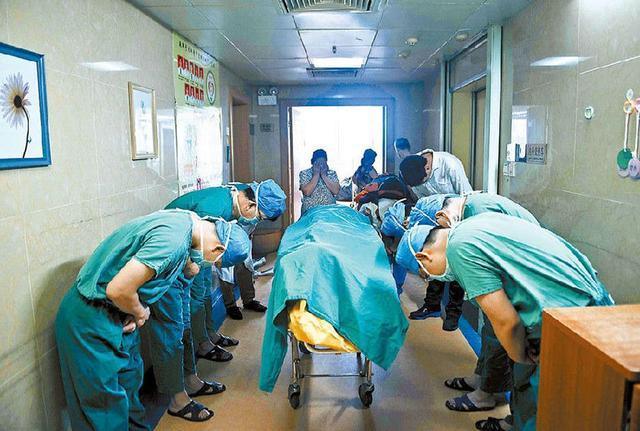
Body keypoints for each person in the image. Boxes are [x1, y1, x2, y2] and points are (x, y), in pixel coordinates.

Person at [397, 215, 614, 431]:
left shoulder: (459, 250)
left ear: (424, 257)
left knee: (544, 402)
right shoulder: (474, 225)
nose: (431, 279)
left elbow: (506, 322)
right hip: (584, 300)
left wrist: (523, 358)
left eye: (426, 275)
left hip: (569, 320)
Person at [55, 211, 251, 429]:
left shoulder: (188, 226)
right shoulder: (173, 240)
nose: (210, 265)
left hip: (118, 315)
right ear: (217, 249)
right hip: (90, 318)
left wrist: (132, 308)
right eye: (216, 262)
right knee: (104, 412)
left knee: (130, 398)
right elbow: (118, 290)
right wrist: (140, 312)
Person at [410, 192, 537, 416]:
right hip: (515, 274)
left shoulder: (474, 218)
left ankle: (487, 394)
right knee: (491, 329)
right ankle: (482, 380)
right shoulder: (473, 209)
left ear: (442, 214)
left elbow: (503, 321)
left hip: (526, 281)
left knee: (500, 331)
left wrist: (521, 355)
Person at [399, 151, 472, 326]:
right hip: (434, 219)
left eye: (423, 181)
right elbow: (422, 201)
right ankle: (431, 306)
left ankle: (453, 313)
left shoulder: (450, 165)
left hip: (458, 218)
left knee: (455, 265)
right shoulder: (413, 168)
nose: (421, 185)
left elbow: (467, 196)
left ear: (428, 167)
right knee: (433, 259)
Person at [299, 149, 341, 215]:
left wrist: (324, 175)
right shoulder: (304, 173)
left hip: (329, 211)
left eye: (323, 163)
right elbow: (307, 192)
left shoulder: (332, 173)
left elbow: (336, 191)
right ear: (313, 162)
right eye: (318, 163)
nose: (321, 165)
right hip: (310, 213)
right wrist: (316, 174)